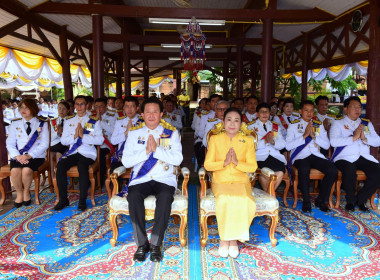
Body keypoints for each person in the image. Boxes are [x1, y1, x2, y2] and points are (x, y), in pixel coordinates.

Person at [121, 97, 183, 262]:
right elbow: (126, 161)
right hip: (141, 179)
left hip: (164, 178)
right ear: (142, 113)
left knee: (164, 198)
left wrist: (156, 150)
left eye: (155, 111)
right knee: (133, 196)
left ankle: (155, 244)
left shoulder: (172, 133)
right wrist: (146, 152)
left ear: (161, 114)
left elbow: (177, 159)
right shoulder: (134, 134)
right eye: (147, 111)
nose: (151, 115)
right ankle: (142, 244)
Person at [204, 107, 257, 258]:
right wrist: (225, 162)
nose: (232, 124)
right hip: (221, 181)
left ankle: (232, 240)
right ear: (223, 121)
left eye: (236, 120)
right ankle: (224, 240)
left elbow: (253, 166)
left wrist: (237, 163)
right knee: (225, 199)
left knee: (244, 200)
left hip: (241, 182)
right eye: (229, 120)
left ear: (241, 124)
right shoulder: (215, 139)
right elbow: (208, 165)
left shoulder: (247, 141)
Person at [330, 96, 380, 212]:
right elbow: (333, 142)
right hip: (344, 157)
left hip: (363, 156)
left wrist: (364, 138)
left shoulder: (366, 123)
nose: (357, 109)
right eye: (354, 107)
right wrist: (353, 138)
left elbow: (377, 141)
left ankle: (361, 199)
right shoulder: (338, 123)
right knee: (350, 170)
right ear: (346, 109)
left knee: (377, 170)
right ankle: (351, 201)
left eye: (359, 107)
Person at [286, 100, 337, 213]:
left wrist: (314, 137)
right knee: (304, 169)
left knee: (332, 170)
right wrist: (304, 136)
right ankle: (306, 201)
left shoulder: (318, 125)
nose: (309, 113)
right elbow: (288, 146)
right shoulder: (293, 125)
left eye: (311, 111)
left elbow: (326, 144)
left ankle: (321, 200)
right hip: (300, 156)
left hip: (316, 155)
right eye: (306, 110)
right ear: (300, 111)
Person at [54, 95, 103, 211]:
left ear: (87, 106)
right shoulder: (69, 120)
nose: (79, 107)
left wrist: (83, 136)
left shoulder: (94, 121)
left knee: (82, 166)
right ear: (74, 106)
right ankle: (63, 200)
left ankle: (82, 201)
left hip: (87, 153)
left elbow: (100, 140)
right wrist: (75, 136)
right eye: (77, 104)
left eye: (82, 104)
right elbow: (64, 140)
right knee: (60, 166)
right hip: (72, 152)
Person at [6, 99, 49, 207]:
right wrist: (17, 156)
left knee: (26, 171)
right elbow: (10, 143)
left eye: (26, 107)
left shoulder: (41, 124)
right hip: (19, 156)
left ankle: (26, 191)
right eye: (21, 107)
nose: (23, 110)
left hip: (36, 156)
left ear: (33, 109)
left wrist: (30, 155)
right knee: (15, 171)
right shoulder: (15, 124)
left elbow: (44, 144)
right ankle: (19, 193)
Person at [248, 103, 286, 192]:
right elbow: (249, 145)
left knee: (280, 172)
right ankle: (271, 195)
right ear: (257, 114)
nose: (265, 114)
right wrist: (264, 141)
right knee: (264, 173)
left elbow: (283, 144)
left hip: (274, 155)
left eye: (267, 112)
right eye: (262, 112)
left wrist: (273, 142)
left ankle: (267, 195)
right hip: (259, 156)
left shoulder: (275, 126)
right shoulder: (250, 126)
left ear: (270, 113)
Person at [110, 96, 143, 188]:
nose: (129, 109)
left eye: (132, 106)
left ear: (137, 108)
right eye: (127, 106)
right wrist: (126, 132)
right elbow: (113, 141)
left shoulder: (143, 121)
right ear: (123, 108)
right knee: (113, 172)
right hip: (122, 156)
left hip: (137, 155)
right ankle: (116, 195)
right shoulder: (120, 121)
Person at [94, 98, 117, 187]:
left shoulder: (113, 116)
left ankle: (100, 179)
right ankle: (90, 177)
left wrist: (100, 121)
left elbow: (113, 131)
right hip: (94, 143)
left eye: (101, 107)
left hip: (107, 144)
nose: (99, 109)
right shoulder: (91, 117)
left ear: (106, 106)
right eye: (96, 107)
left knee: (101, 154)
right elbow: (89, 131)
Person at [50, 101, 70, 170]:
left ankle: (58, 174)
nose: (61, 110)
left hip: (66, 144)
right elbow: (50, 138)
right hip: (55, 144)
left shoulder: (71, 120)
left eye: (64, 109)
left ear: (68, 111)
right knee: (49, 153)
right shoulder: (53, 121)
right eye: (59, 108)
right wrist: (57, 133)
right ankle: (52, 176)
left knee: (58, 153)